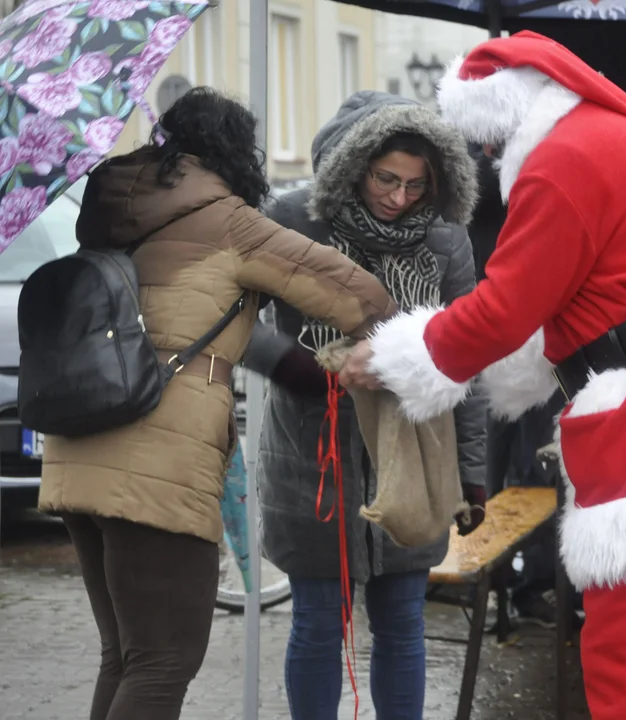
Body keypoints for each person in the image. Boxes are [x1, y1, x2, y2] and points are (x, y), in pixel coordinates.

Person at [338, 31, 626, 720]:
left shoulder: (562, 160)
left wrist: (391, 354)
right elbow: (586, 295)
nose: (491, 154)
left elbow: (504, 310)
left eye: (489, 138)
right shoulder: (620, 139)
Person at [36, 87, 396, 720]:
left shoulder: (112, 211)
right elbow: (357, 296)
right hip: (157, 462)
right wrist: (413, 348)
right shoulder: (230, 220)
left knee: (126, 656)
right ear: (237, 153)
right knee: (163, 661)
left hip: (78, 452)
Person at [241, 91, 485, 720]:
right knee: (320, 623)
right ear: (355, 165)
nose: (399, 197)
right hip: (312, 455)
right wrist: (295, 365)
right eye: (386, 179)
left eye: (416, 183)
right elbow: (229, 320)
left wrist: (474, 470)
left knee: (403, 621)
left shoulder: (444, 236)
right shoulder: (292, 219)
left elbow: (468, 349)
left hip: (414, 452)